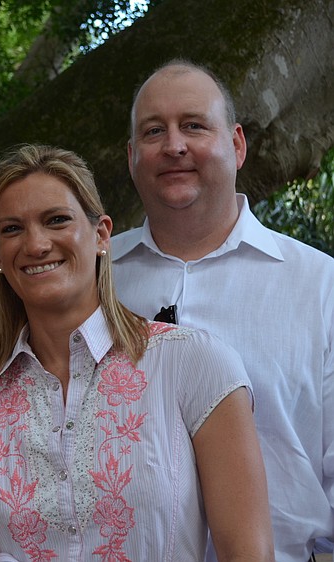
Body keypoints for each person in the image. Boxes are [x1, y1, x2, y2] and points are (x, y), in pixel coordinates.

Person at [0, 144, 274, 561]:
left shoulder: (194, 364)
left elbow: (248, 554)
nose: (37, 244)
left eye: (56, 220)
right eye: (12, 229)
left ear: (101, 235)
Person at [112, 59, 334, 562]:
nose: (173, 145)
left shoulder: (321, 285)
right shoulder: (93, 281)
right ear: (131, 156)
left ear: (236, 144)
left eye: (193, 125)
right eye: (153, 131)